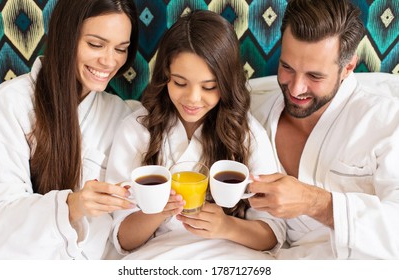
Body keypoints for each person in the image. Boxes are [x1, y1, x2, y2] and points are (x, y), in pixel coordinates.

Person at [105, 10, 284, 259]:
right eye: (179, 83)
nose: (192, 99)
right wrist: (158, 211)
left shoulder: (246, 132)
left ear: (227, 83)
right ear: (165, 76)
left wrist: (226, 226)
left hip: (231, 257)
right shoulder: (137, 129)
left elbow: (273, 233)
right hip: (159, 258)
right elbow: (122, 239)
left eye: (209, 87)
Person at [0, 0, 139, 259]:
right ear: (66, 37)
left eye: (121, 49)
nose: (109, 61)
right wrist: (72, 205)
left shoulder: (122, 115)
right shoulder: (11, 103)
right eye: (95, 44)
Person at [249, 0, 399, 259]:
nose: (295, 89)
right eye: (286, 67)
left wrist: (316, 202)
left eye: (315, 76)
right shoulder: (255, 120)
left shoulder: (387, 122)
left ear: (348, 67)